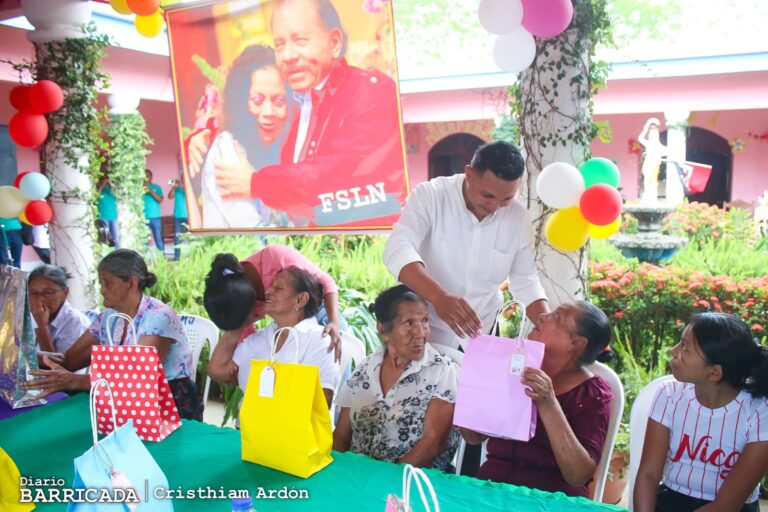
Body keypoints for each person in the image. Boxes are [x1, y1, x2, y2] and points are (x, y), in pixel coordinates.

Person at [212, 0, 406, 226]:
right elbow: (249, 126)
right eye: (279, 45)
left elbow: (336, 172)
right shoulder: (291, 101)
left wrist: (257, 184)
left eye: (300, 41)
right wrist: (199, 138)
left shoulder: (368, 91)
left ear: (334, 42)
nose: (288, 56)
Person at [383, 140, 549, 352]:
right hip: (425, 333)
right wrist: (438, 297)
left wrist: (548, 324)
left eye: (506, 198)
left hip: (481, 334)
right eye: (487, 195)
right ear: (469, 174)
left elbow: (525, 281)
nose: (494, 207)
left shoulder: (517, 217)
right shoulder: (431, 195)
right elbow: (397, 248)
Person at [23, 249, 202, 421]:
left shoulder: (159, 317)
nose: (102, 289)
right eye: (101, 283)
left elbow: (138, 378)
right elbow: (70, 362)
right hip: (123, 401)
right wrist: (28, 354)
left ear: (131, 283)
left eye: (107, 283)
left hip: (168, 403)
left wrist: (75, 381)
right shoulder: (108, 317)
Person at [461, 301, 614, 497]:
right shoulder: (513, 365)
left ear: (576, 343)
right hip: (492, 490)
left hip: (552, 500)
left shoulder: (592, 393)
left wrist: (548, 403)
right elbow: (472, 437)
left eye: (557, 316)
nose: (542, 316)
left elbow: (578, 475)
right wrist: (481, 384)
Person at [633, 313, 768, 512]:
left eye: (685, 348)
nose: (673, 351)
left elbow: (726, 505)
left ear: (715, 372)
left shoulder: (759, 411)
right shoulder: (669, 395)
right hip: (671, 501)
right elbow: (649, 474)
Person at [333, 285, 459, 472]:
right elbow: (342, 434)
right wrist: (337, 473)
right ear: (383, 330)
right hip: (357, 478)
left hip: (411, 485)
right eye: (409, 323)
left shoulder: (442, 372)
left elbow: (433, 443)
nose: (420, 333)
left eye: (424, 321)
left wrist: (385, 482)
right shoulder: (365, 370)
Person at [207, 258, 338, 406]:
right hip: (252, 426)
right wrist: (241, 323)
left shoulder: (319, 339)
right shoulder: (259, 339)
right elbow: (216, 370)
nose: (267, 291)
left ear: (300, 299)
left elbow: (323, 400)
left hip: (292, 428)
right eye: (270, 286)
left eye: (279, 288)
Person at [189, 45, 293, 229]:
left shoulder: (275, 149)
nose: (268, 112)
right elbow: (258, 235)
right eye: (257, 100)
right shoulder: (228, 152)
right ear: (240, 102)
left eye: (279, 101)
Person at [202, 244, 343, 357]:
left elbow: (326, 282)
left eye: (279, 287)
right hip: (292, 331)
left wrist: (334, 322)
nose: (259, 313)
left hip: (324, 316)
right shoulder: (237, 301)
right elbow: (248, 340)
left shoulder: (275, 257)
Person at [28, 265, 91, 355]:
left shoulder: (76, 322)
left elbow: (60, 367)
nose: (40, 300)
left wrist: (42, 327)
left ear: (65, 293)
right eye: (33, 293)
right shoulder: (26, 317)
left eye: (47, 293)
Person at [168, 175, 188, 260]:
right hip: (177, 216)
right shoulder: (177, 189)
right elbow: (169, 197)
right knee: (177, 238)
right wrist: (174, 187)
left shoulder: (187, 187)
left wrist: (182, 185)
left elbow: (188, 194)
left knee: (193, 237)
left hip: (188, 216)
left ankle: (196, 255)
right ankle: (177, 257)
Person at [143, 169, 164, 252]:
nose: (146, 178)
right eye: (144, 176)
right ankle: (144, 260)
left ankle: (161, 258)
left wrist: (150, 191)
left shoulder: (157, 187)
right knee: (144, 241)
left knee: (158, 238)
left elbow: (160, 200)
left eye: (148, 176)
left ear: (151, 177)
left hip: (156, 217)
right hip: (143, 218)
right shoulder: (139, 188)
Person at [96, 174, 120, 248]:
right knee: (104, 237)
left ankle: (119, 254)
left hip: (113, 217)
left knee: (116, 237)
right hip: (103, 217)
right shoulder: (99, 189)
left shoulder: (111, 191)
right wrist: (102, 185)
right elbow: (96, 196)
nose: (106, 181)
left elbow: (119, 195)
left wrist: (111, 184)